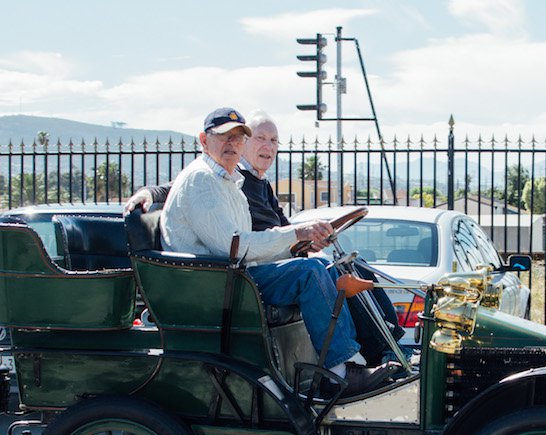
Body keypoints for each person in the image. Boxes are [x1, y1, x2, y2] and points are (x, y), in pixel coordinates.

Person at [126, 110, 403, 365]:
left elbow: (262, 237)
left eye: (238, 137)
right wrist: (150, 192)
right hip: (216, 286)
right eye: (226, 137)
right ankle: (347, 367)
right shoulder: (204, 179)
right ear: (204, 140)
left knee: (336, 269)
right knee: (312, 272)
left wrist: (302, 243)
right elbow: (234, 247)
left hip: (234, 276)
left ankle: (384, 353)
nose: (232, 144)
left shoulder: (231, 181)